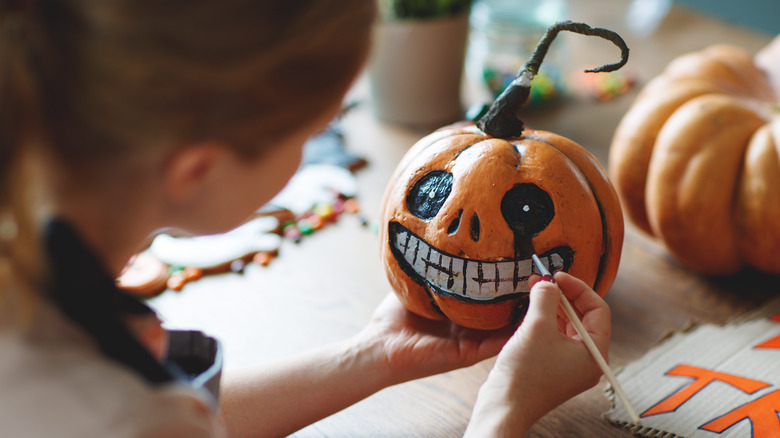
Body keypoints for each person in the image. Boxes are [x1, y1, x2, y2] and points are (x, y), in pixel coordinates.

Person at [0, 1, 611, 437]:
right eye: (314, 131)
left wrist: (373, 356)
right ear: (198, 168)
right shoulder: (114, 411)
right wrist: (504, 410)